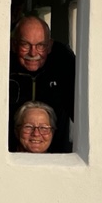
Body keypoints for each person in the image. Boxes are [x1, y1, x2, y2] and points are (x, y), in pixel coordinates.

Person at [9, 15, 74, 153]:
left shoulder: (64, 66)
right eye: (25, 44)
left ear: (49, 46)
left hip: (56, 155)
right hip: (9, 154)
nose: (33, 53)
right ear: (14, 45)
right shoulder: (4, 67)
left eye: (40, 46)